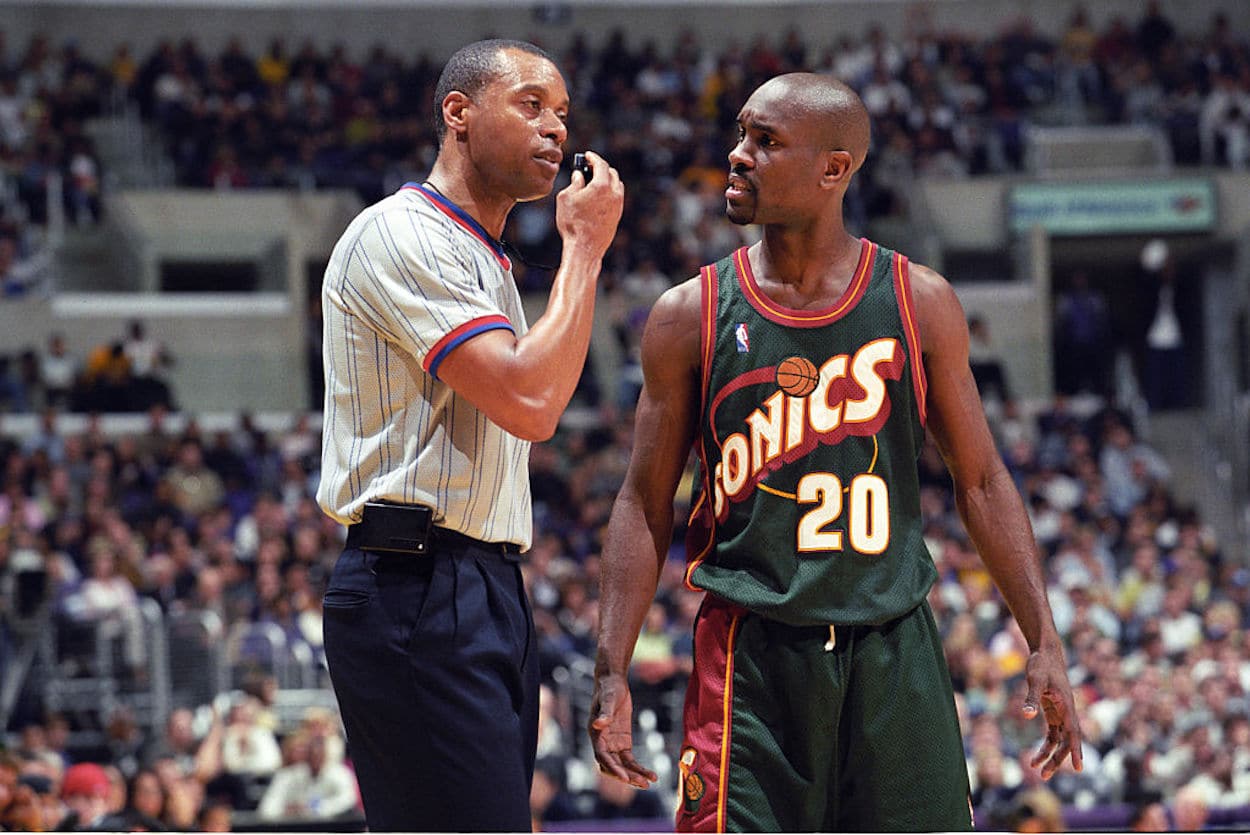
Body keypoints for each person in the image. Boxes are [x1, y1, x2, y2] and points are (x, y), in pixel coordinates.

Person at [590, 73, 1082, 831]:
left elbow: (981, 480)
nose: (738, 155)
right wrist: (611, 664)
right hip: (754, 655)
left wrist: (1042, 637)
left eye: (766, 140)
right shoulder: (688, 315)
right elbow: (642, 500)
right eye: (741, 135)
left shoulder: (919, 300)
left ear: (834, 169)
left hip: (893, 647)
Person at [316, 38, 623, 832]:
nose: (556, 128)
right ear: (458, 112)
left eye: (562, 113)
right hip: (413, 582)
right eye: (531, 105)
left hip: (479, 582)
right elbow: (531, 401)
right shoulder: (402, 234)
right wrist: (584, 249)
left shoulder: (482, 257)